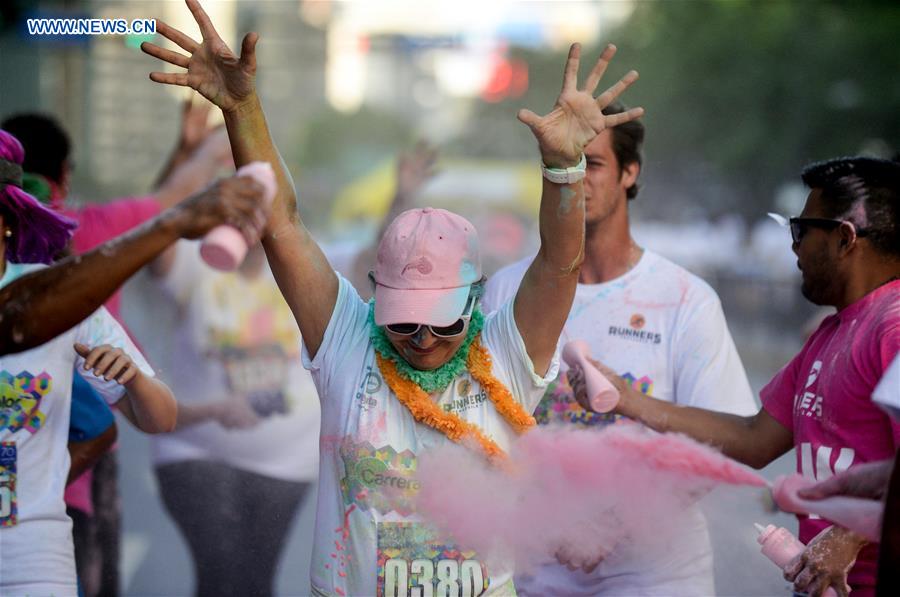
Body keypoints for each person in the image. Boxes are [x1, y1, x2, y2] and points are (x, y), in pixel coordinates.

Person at [140, 1, 643, 593]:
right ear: (377, 299)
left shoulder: (508, 351)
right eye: (405, 323)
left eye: (442, 323)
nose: (424, 340)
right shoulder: (347, 341)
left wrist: (563, 167)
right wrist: (243, 108)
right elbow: (284, 226)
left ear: (474, 301)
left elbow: (560, 263)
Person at [572, 156, 900, 597]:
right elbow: (754, 437)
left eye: (801, 231)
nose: (793, 248)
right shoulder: (830, 334)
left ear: (844, 238)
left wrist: (848, 536)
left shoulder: (893, 326)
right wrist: (627, 398)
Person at [482, 101, 757, 595]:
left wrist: (612, 526)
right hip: (533, 573)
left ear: (630, 172)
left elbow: (726, 436)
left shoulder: (685, 299)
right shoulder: (506, 291)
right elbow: (477, 426)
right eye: (566, 164)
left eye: (595, 163)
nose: (578, 177)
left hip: (656, 575)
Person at [4, 105, 230, 596]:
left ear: (7, 219)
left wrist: (132, 378)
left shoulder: (62, 295)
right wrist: (203, 154)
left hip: (31, 565)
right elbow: (163, 206)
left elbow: (155, 416)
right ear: (64, 174)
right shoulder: (91, 241)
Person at [147, 238, 320, 597]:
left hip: (287, 462)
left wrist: (402, 192)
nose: (251, 221)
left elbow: (369, 265)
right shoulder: (193, 260)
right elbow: (158, 228)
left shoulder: (306, 262)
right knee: (222, 577)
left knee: (256, 582)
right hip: (194, 453)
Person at [0, 132, 269, 357]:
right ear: (64, 175)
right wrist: (212, 149)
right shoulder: (83, 226)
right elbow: (166, 207)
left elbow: (159, 213)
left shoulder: (95, 325)